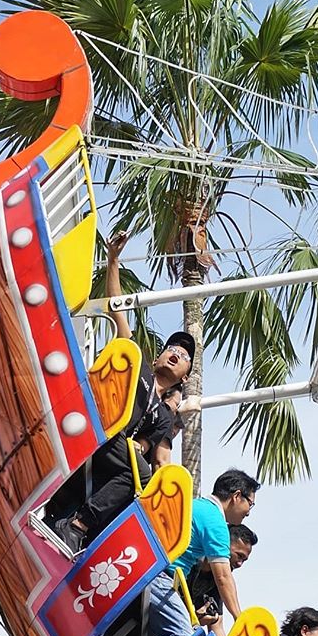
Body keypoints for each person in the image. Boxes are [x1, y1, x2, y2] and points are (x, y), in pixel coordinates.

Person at [53, 232, 195, 554]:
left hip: (114, 446)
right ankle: (76, 523)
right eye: (172, 348)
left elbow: (142, 447)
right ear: (159, 355)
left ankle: (78, 527)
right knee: (138, 473)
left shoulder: (162, 415)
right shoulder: (139, 363)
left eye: (184, 356)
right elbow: (119, 311)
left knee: (140, 476)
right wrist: (113, 259)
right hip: (97, 419)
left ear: (183, 376)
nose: (176, 353)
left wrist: (139, 448)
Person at [118, 469, 261, 636]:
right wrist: (239, 618)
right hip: (159, 576)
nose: (249, 511)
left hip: (149, 566)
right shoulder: (216, 522)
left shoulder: (198, 505)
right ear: (236, 496)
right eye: (250, 503)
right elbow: (223, 578)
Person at [187, 524, 258, 636]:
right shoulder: (191, 559)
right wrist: (239, 619)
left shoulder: (217, 584)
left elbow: (217, 627)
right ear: (223, 545)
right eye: (239, 556)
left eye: (244, 560)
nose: (240, 564)